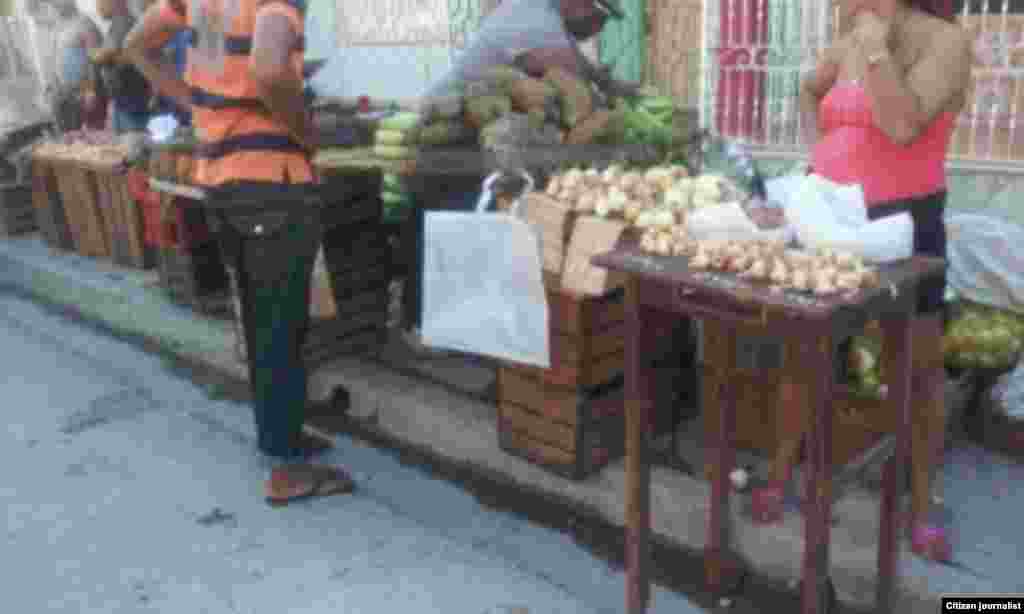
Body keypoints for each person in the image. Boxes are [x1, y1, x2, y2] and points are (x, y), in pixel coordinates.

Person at [753, 0, 971, 562]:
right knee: (804, 357)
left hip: (906, 221)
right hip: (830, 219)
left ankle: (920, 507)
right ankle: (778, 476)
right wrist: (817, 158)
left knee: (915, 374)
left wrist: (875, 48)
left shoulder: (943, 42)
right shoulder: (850, 36)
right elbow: (810, 89)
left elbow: (900, 126)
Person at [124, 0, 355, 505]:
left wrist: (202, 106)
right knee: (281, 324)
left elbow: (137, 45)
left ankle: (280, 436)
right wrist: (305, 134)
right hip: (269, 184)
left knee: (262, 319)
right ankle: (286, 470)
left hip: (224, 182)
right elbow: (270, 69)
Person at [402, 0, 637, 353]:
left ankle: (451, 329)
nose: (599, 29)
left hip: (477, 136)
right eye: (599, 17)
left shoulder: (550, 22)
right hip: (448, 135)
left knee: (461, 234)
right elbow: (569, 70)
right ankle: (422, 328)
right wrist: (613, 92)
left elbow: (577, 75)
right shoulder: (533, 15)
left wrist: (610, 88)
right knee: (442, 231)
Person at [93, 0, 153, 133]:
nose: (98, 7)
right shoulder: (117, 25)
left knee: (135, 146)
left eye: (100, 2)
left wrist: (96, 56)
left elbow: (105, 55)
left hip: (133, 104)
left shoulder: (124, 22)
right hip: (124, 103)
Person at [48, 0, 108, 131]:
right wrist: (53, 85)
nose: (53, 5)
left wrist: (90, 91)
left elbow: (95, 62)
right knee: (68, 142)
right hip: (65, 93)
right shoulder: (58, 26)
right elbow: (55, 59)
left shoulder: (85, 24)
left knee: (92, 139)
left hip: (84, 92)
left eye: (56, 3)